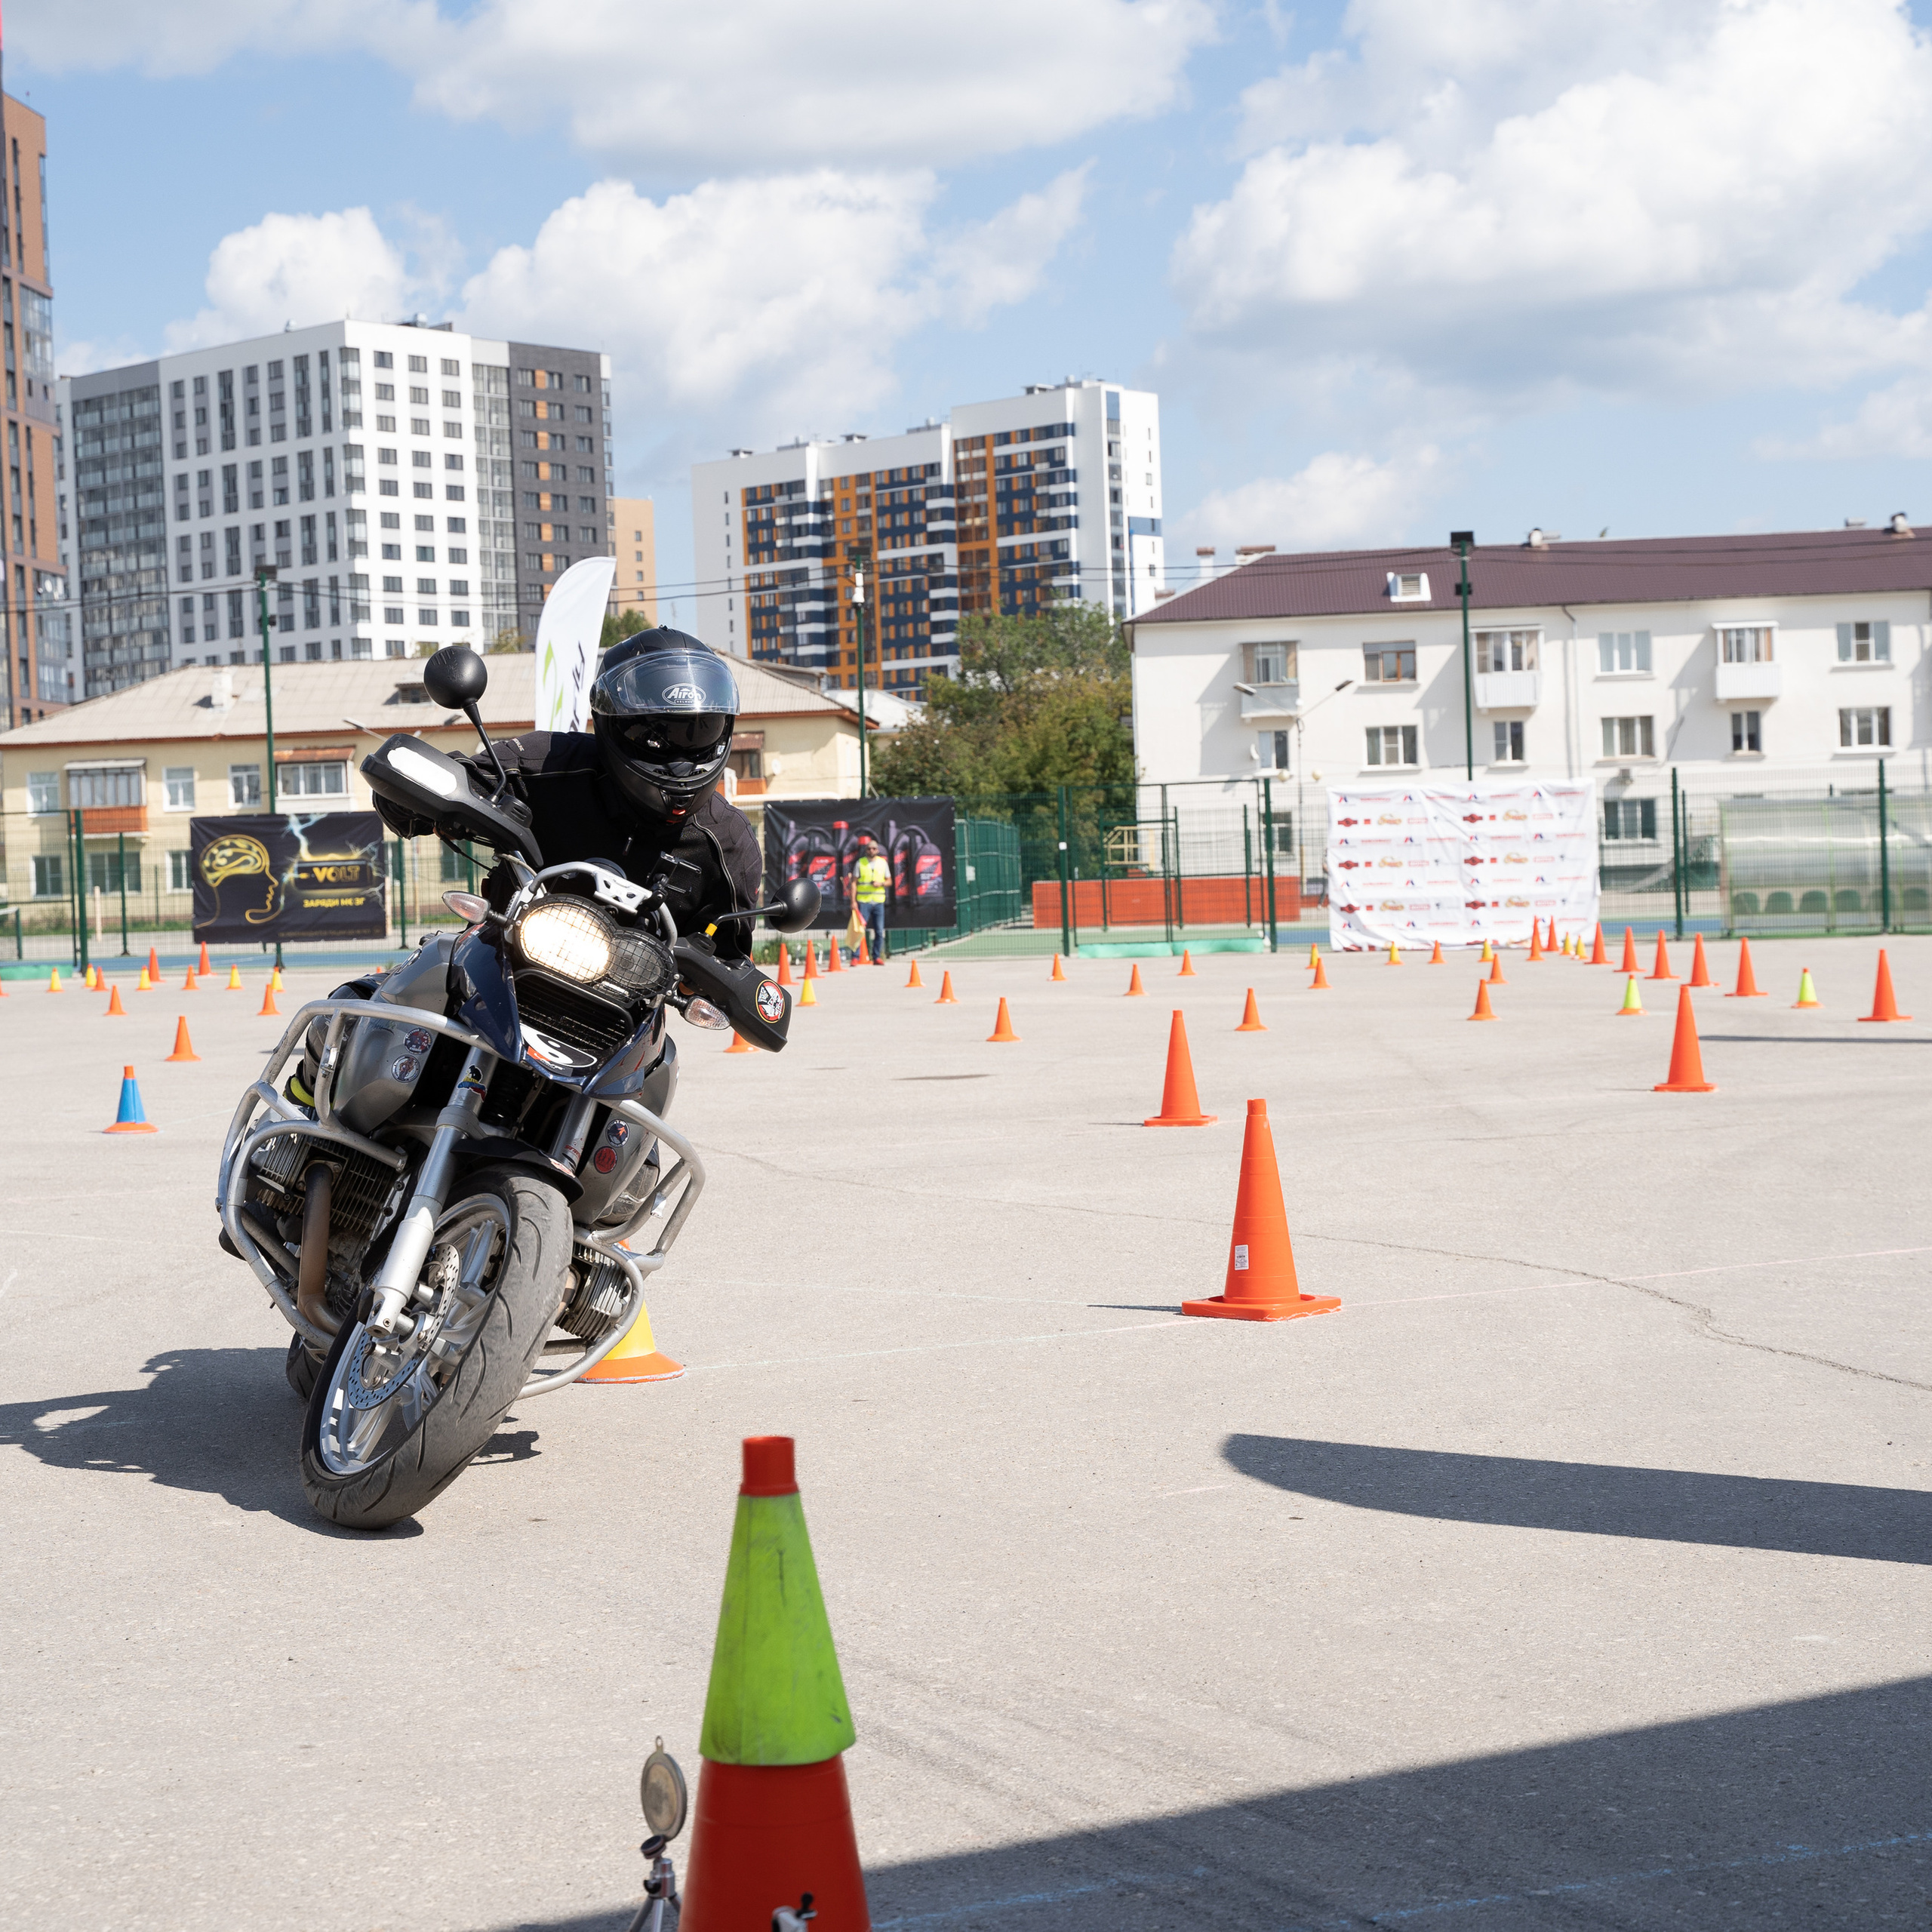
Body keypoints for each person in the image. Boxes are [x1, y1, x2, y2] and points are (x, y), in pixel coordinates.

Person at [375, 627, 762, 952]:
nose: (679, 753)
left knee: (663, 1047)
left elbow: (729, 954)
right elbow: (455, 780)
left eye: (699, 729)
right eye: (658, 732)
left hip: (628, 1003)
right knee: (413, 992)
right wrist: (418, 802)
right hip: (503, 955)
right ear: (613, 721)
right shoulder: (546, 763)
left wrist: (714, 971)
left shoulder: (728, 842)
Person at [853, 833, 891, 965]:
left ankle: (876, 957)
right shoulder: (860, 863)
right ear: (866, 850)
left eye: (874, 849)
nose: (871, 851)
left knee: (879, 931)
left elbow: (889, 881)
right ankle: (855, 957)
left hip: (878, 902)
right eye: (869, 849)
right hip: (864, 901)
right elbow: (854, 883)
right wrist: (853, 901)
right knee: (859, 930)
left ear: (877, 850)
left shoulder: (883, 863)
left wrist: (881, 884)